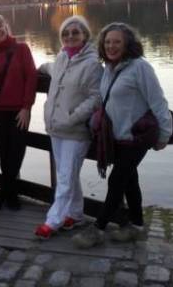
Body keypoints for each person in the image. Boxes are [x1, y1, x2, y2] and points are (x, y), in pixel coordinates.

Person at [73, 23, 172, 248]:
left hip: (137, 136)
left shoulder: (140, 68)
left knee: (117, 179)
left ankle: (98, 229)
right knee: (129, 180)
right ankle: (136, 226)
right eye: (107, 42)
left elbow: (158, 102)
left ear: (128, 43)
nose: (111, 46)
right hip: (117, 137)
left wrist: (165, 134)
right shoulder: (108, 68)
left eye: (117, 41)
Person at [34, 16, 103, 239]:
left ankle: (53, 220)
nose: (70, 36)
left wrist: (73, 117)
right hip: (55, 128)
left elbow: (96, 98)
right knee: (69, 175)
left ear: (85, 35)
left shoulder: (93, 63)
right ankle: (75, 213)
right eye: (66, 33)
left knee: (64, 177)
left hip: (76, 130)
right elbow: (52, 69)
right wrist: (38, 68)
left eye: (75, 32)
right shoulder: (63, 57)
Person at [0, 14, 38, 210]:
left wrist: (26, 107)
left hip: (18, 110)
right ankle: (11, 194)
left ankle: (4, 192)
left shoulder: (21, 49)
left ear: (6, 26)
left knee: (17, 151)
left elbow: (31, 77)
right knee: (5, 152)